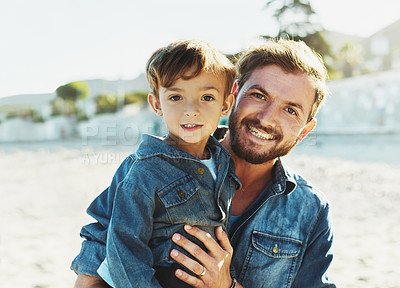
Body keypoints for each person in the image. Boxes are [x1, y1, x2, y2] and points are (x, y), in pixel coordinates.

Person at [72, 39, 336, 288]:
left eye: (291, 110)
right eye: (259, 96)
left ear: (304, 130)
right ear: (233, 96)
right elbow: (93, 275)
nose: (267, 119)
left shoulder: (310, 210)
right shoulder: (144, 169)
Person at [71, 39, 239, 287]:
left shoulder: (224, 161)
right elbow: (124, 249)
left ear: (225, 104)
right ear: (156, 104)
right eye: (175, 97)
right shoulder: (146, 170)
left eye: (206, 97)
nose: (191, 110)